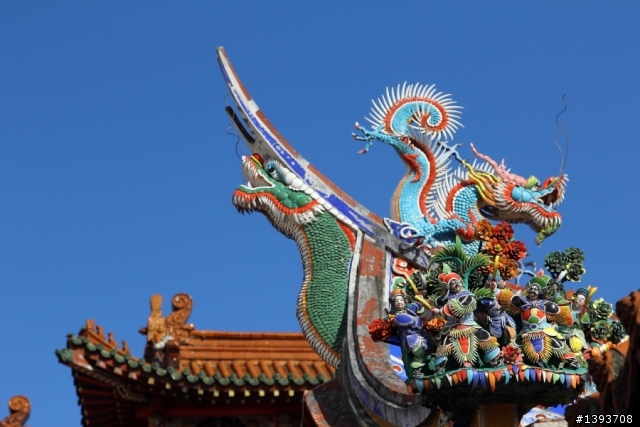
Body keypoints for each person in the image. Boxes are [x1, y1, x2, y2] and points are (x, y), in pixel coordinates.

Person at [499, 275, 578, 368]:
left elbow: (559, 311)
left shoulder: (545, 303)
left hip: (543, 330)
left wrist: (567, 314)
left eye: (536, 289)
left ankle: (571, 360)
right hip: (526, 332)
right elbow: (509, 300)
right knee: (514, 345)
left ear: (540, 292)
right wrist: (501, 289)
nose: (533, 291)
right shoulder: (522, 301)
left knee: (556, 343)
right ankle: (503, 359)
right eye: (531, 289)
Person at [430, 272, 501, 372]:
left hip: (470, 325)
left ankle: (494, 361)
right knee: (443, 346)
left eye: (457, 282)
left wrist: (440, 310)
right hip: (453, 329)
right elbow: (441, 304)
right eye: (453, 283)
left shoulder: (467, 295)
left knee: (487, 339)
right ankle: (439, 368)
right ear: (448, 287)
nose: (456, 285)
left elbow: (460, 308)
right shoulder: (447, 298)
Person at [388, 289, 431, 378]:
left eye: (401, 300)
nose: (399, 302)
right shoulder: (398, 317)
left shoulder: (409, 311)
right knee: (418, 354)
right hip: (412, 339)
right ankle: (417, 372)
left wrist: (420, 298)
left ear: (405, 301)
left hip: (421, 335)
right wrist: (420, 319)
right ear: (393, 305)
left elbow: (417, 305)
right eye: (396, 301)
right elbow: (416, 322)